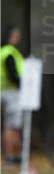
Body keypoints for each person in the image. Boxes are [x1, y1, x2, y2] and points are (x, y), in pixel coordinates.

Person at [1, 26, 24, 164]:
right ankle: (13, 155)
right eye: (16, 35)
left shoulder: (2, 51)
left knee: (7, 125)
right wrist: (21, 84)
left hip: (2, 90)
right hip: (11, 92)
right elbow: (12, 74)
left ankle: (12, 154)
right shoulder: (10, 52)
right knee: (12, 125)